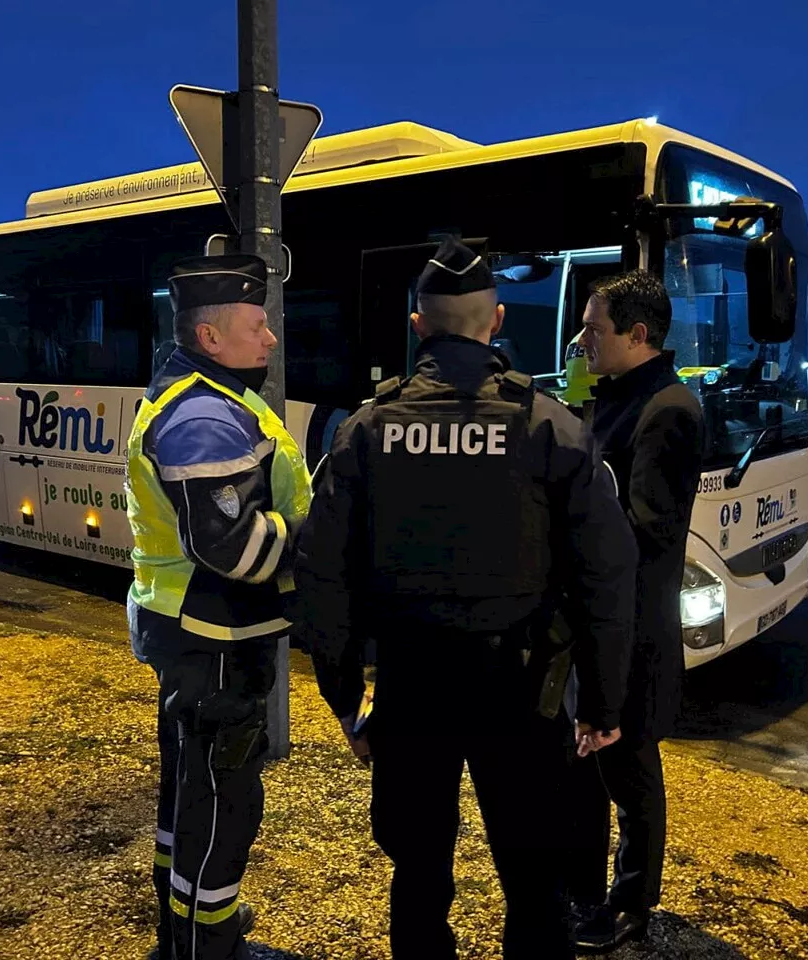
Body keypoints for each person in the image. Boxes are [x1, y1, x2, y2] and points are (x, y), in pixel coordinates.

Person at [290, 237, 638, 960]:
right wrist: (603, 703)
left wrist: (345, 698)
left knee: (418, 874)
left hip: (413, 691)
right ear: (497, 321)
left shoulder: (366, 430)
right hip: (521, 694)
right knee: (533, 877)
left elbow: (323, 574)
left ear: (419, 326)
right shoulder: (550, 426)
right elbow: (609, 573)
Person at [124, 253, 313, 960]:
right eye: (257, 325)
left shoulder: (209, 394)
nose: (270, 340)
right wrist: (318, 540)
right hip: (216, 636)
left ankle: (181, 933)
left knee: (188, 792)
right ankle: (210, 948)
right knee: (223, 802)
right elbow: (233, 548)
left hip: (197, 631)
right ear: (210, 338)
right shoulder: (203, 414)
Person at [565, 270, 705, 952]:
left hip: (633, 631)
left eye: (594, 328)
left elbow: (649, 528)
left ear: (638, 335)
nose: (581, 338)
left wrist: (570, 519)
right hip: (592, 623)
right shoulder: (611, 396)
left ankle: (632, 905)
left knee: (628, 770)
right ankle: (583, 893)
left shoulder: (669, 410)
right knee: (582, 764)